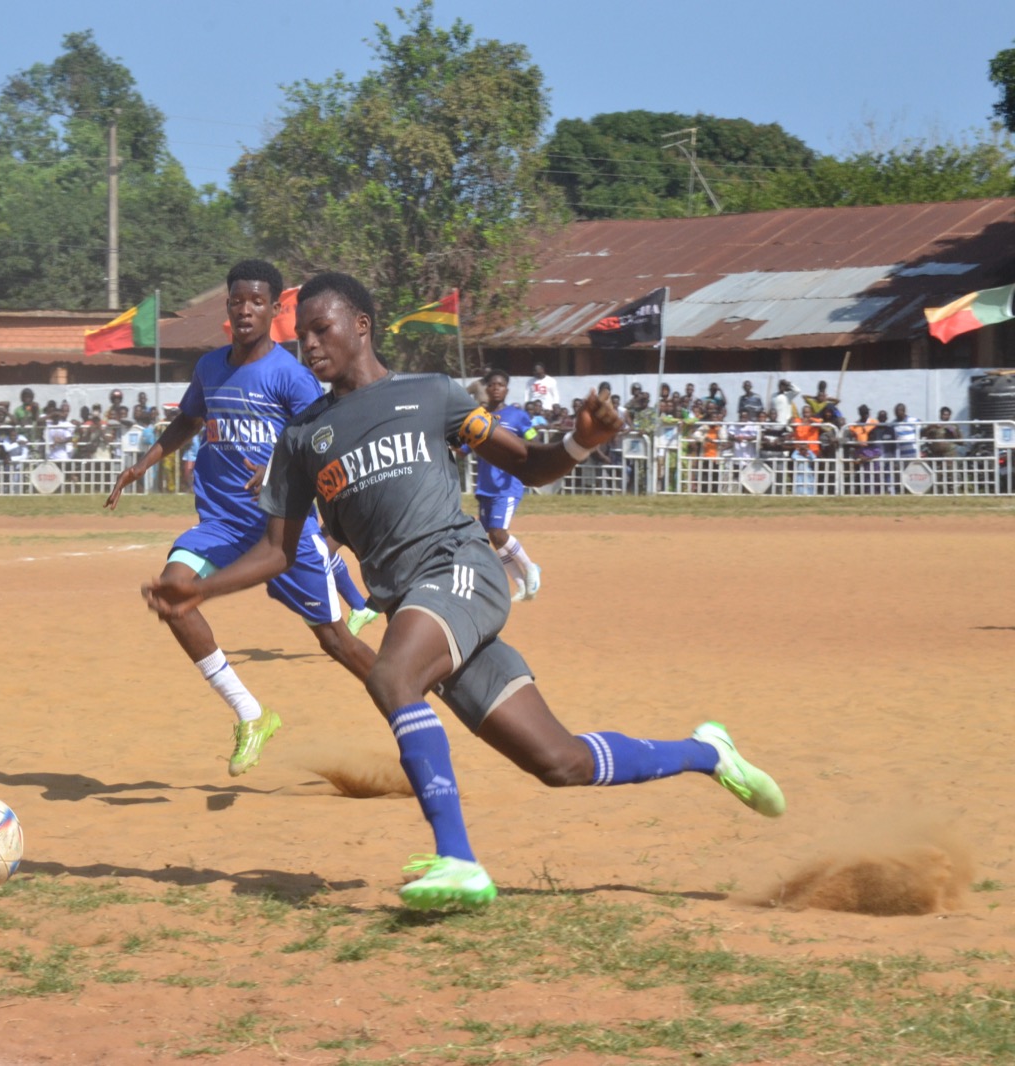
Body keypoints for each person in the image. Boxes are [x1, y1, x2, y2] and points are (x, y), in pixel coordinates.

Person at [144, 272, 784, 910]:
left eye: (322, 329)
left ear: (360, 325)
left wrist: (580, 441)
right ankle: (708, 753)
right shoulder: (302, 439)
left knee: (392, 677)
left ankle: (459, 860)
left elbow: (528, 463)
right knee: (559, 762)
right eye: (302, 333)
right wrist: (201, 592)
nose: (308, 345)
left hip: (462, 569)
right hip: (419, 604)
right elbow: (277, 552)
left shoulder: (431, 395)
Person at [106, 259, 377, 777]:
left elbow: (322, 438)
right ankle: (251, 714)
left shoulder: (292, 376)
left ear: (276, 310)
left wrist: (279, 467)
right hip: (223, 524)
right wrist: (142, 464)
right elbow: (188, 419)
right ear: (228, 308)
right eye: (237, 300)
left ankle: (407, 703)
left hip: (284, 529)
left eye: (257, 301)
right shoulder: (210, 368)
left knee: (336, 641)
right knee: (173, 593)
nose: (245, 309)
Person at [468, 368, 540, 602]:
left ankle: (530, 568)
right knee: (494, 537)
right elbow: (464, 448)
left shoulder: (517, 416)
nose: (496, 388)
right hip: (485, 486)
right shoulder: (478, 417)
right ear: (486, 389)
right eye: (492, 385)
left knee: (500, 532)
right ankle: (521, 586)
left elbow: (533, 440)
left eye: (500, 384)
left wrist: (525, 456)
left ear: (506, 389)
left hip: (507, 486)